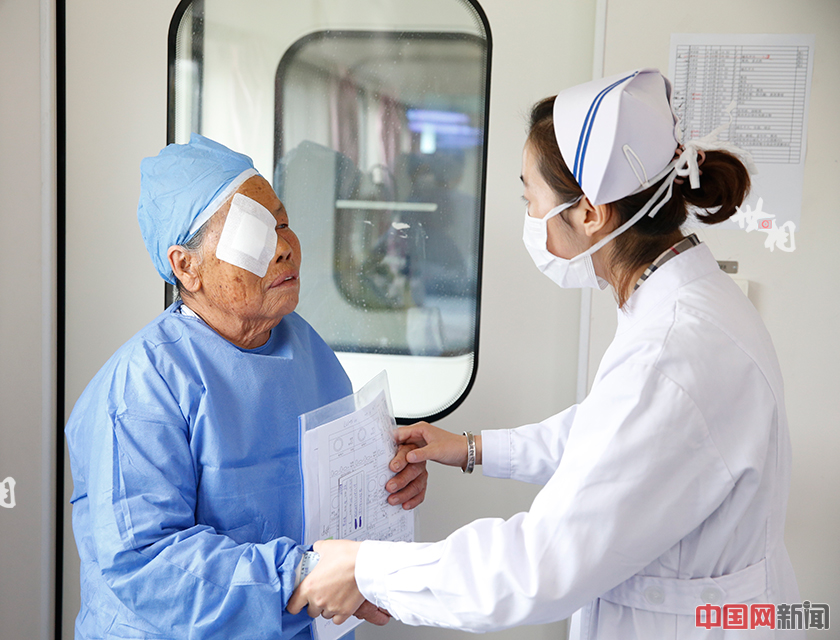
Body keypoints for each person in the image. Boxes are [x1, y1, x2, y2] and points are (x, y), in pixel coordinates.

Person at [287, 69, 802, 638]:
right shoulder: (675, 301)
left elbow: (537, 568)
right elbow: (612, 436)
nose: (530, 216)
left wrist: (366, 569)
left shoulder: (672, 351)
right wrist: (471, 449)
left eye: (531, 196)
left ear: (588, 212)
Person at [66, 134, 427, 640]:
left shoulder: (307, 351)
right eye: (252, 232)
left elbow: (333, 492)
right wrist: (297, 577)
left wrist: (388, 485)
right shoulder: (140, 390)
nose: (283, 247)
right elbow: (145, 563)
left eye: (281, 222)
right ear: (185, 267)